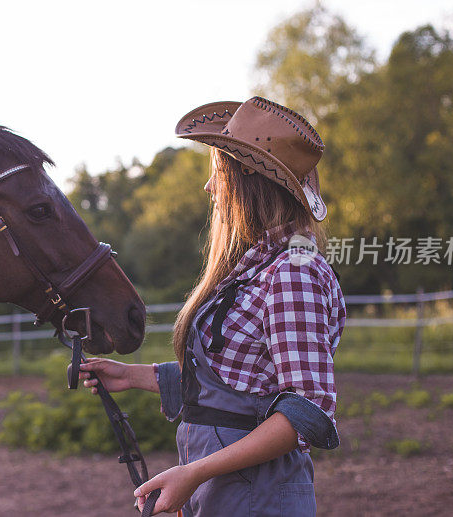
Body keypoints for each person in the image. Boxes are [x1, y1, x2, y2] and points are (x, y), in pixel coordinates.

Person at [79, 97, 346, 516]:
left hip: (257, 497)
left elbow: (305, 413)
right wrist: (133, 377)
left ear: (246, 180)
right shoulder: (255, 269)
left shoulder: (293, 274)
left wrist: (195, 473)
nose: (209, 187)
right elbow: (236, 382)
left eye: (217, 172)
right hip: (229, 492)